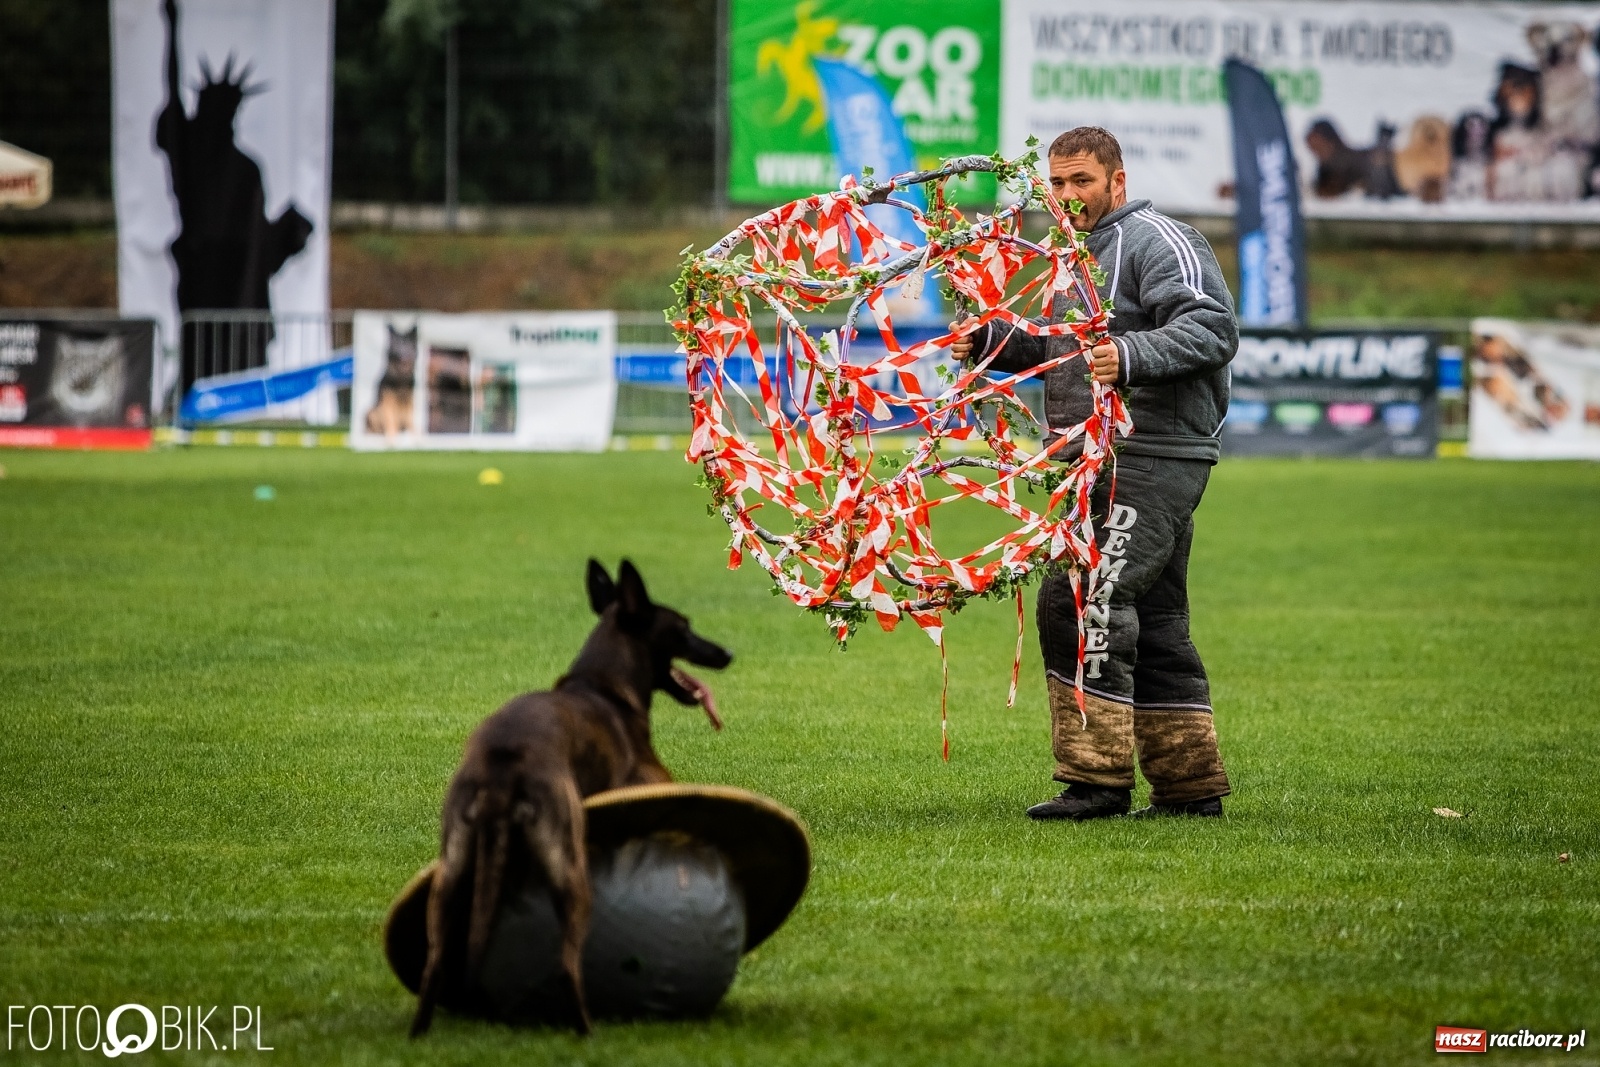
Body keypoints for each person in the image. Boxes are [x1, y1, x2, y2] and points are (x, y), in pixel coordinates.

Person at [951, 127, 1238, 821]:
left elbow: (1212, 327)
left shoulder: (1159, 240)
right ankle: (1190, 787)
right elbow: (1063, 350)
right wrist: (990, 342)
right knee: (1156, 619)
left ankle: (1097, 781)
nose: (1068, 195)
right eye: (1057, 183)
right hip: (1092, 458)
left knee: (1081, 597)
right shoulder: (1075, 254)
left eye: (1082, 180)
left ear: (1118, 181)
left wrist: (1130, 354)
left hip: (1152, 452)